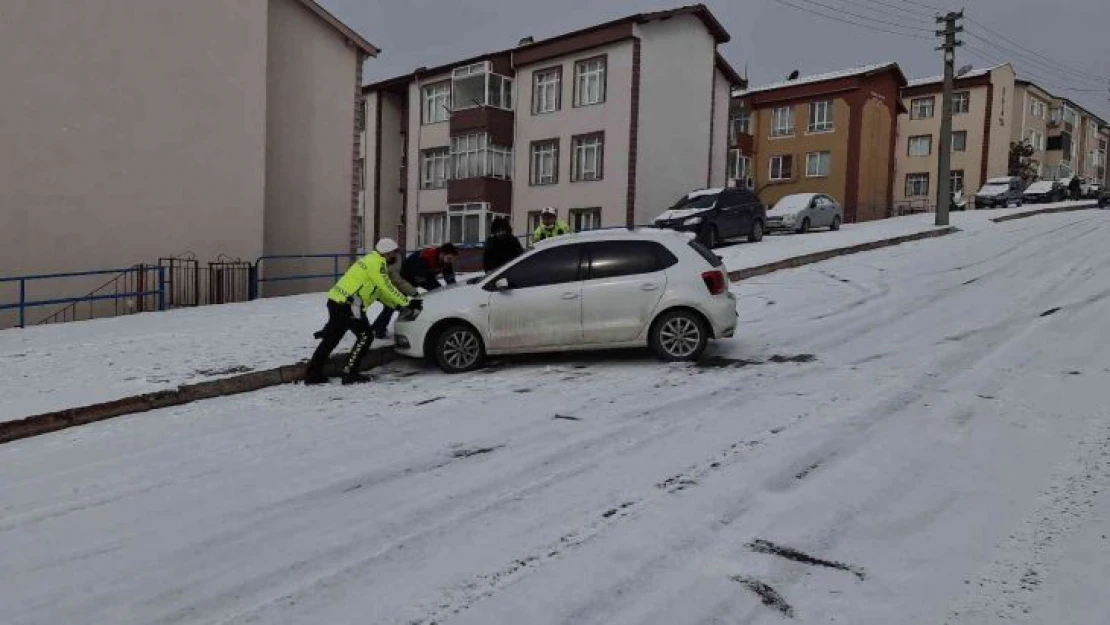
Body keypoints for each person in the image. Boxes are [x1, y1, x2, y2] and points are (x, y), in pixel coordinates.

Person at [304, 238, 418, 385]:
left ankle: (313, 374)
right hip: (349, 305)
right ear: (388, 253)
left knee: (331, 339)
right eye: (394, 253)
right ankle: (350, 373)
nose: (395, 257)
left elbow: (380, 293)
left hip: (337, 301)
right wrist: (407, 303)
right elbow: (386, 287)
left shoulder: (371, 260)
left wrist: (398, 306)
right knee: (365, 336)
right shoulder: (377, 264)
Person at [372, 243, 458, 338]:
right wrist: (434, 290)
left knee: (392, 306)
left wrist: (453, 290)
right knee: (392, 305)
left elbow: (449, 277)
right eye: (449, 258)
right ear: (442, 254)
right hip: (403, 280)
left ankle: (375, 328)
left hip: (419, 278)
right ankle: (379, 331)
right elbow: (421, 279)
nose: (450, 262)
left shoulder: (446, 262)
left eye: (452, 260)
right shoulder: (425, 258)